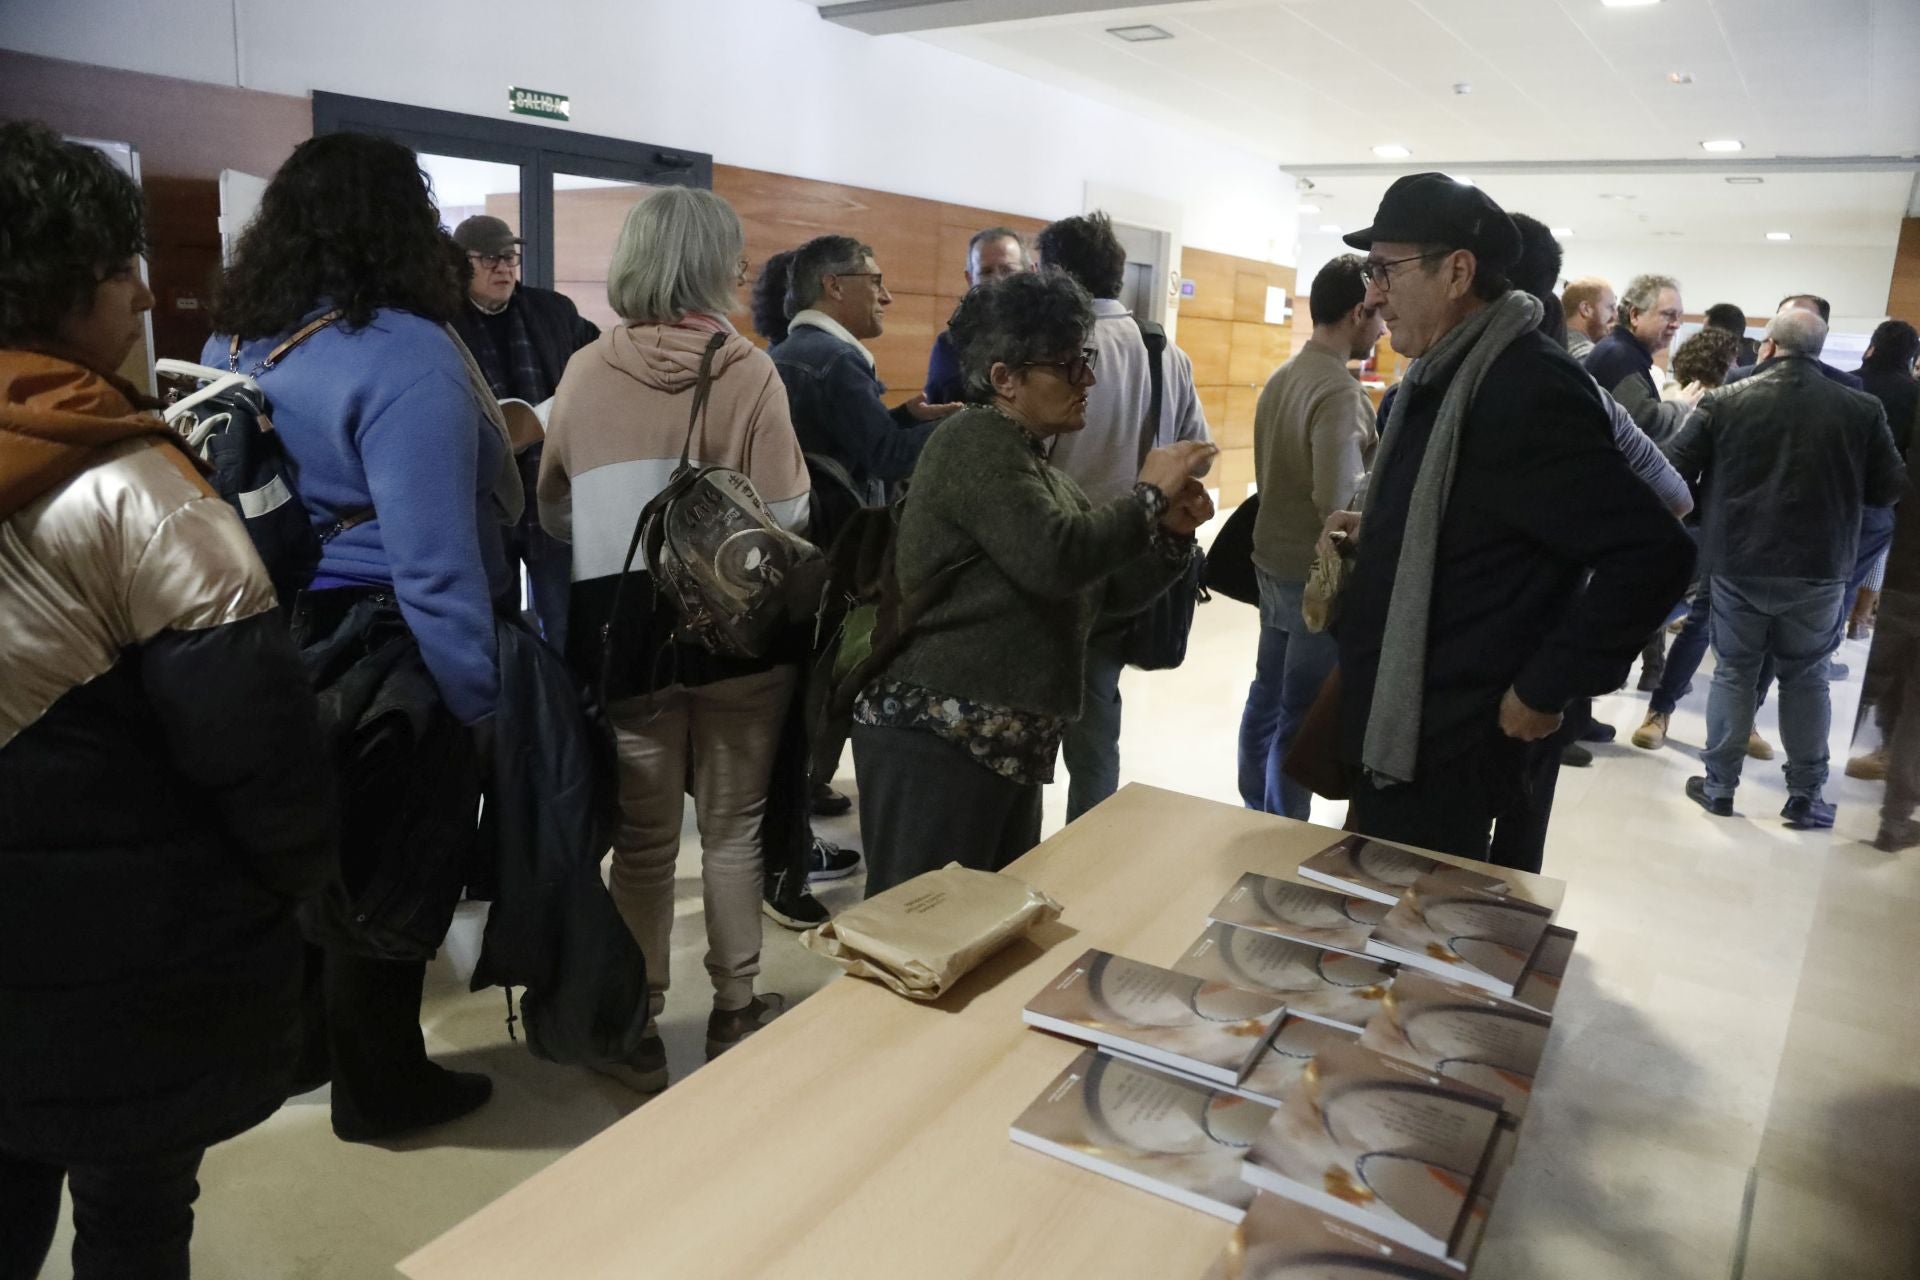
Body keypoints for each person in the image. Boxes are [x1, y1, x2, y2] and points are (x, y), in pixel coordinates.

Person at [0, 120, 336, 1279]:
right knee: (135, 1220)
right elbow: (262, 753)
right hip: (132, 963)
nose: (145, 290)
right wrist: (299, 889)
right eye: (117, 266)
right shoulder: (137, 488)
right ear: (55, 287)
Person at [208, 132, 513, 1142]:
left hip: (265, 630)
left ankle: (300, 1048)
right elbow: (432, 562)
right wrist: (478, 699)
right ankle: (382, 1086)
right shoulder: (407, 353)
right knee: (395, 863)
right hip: (386, 642)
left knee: (305, 847)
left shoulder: (235, 344)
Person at [1320, 173, 1692, 866]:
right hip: (1403, 725)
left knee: (1422, 941)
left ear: (1458, 271)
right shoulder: (1442, 378)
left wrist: (1545, 685)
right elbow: (1481, 520)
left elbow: (1653, 553)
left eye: (1385, 269)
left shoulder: (1525, 387)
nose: (1372, 294)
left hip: (1456, 743)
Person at [541, 186, 809, 1074]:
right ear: (709, 266)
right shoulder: (749, 370)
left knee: (646, 844)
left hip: (625, 635)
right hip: (739, 639)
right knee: (733, 831)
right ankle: (735, 1007)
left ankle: (637, 1021)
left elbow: (552, 511)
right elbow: (790, 509)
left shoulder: (584, 371)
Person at [850, 270, 1215, 895]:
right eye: (1068, 366)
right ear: (1004, 379)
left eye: (1086, 360)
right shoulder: (974, 440)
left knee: (981, 930)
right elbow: (1056, 559)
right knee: (919, 936)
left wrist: (1170, 536)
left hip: (996, 742)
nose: (1089, 381)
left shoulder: (1034, 464)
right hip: (940, 739)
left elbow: (1101, 593)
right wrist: (1149, 494)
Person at [1664, 307, 1905, 828]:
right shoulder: (1862, 409)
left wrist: (1711, 511)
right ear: (1819, 351)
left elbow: (1673, 466)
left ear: (1768, 345)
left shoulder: (1725, 401)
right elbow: (1889, 488)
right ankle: (1804, 796)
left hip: (1737, 561)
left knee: (1734, 672)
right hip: (1821, 568)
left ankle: (1719, 787)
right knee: (1808, 678)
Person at [1035, 211, 1214, 821]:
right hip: (1127, 561)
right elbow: (1199, 452)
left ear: (1052, 273)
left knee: (1018, 727)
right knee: (1096, 730)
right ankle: (1088, 857)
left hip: (1049, 557)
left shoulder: (1050, 354)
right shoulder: (1165, 350)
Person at [1240, 254, 1382, 819]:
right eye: (1376, 313)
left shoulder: (1284, 375)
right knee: (1297, 712)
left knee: (1265, 697)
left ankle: (1253, 807)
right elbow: (1338, 503)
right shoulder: (1339, 392)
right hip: (1312, 577)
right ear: (1355, 312)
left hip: (1271, 561)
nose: (1384, 325)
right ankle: (1282, 828)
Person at [448, 214, 599, 653]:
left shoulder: (552, 311)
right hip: (483, 496)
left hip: (550, 487)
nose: (504, 268)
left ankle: (574, 708)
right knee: (498, 620)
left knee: (567, 619)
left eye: (510, 257)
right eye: (490, 259)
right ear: (461, 264)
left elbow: (595, 367)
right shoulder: (442, 322)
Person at [771, 234, 959, 508]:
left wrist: (905, 417)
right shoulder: (838, 360)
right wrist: (962, 425)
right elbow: (888, 457)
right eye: (876, 282)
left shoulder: (785, 351)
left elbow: (842, 439)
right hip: (837, 539)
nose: (887, 297)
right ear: (834, 286)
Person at [1843, 320, 1920, 639]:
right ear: (1911, 356)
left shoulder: (1846, 383)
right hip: (1881, 500)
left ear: (1871, 346)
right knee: (1862, 568)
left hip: (1829, 492)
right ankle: (1851, 626)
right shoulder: (1915, 395)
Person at [1584, 272, 1697, 443]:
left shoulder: (1621, 351)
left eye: (1678, 316)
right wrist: (1680, 405)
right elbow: (1646, 425)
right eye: (1668, 314)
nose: (1675, 324)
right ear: (1635, 315)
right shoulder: (1620, 356)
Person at [924, 227, 1027, 404]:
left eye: (1008, 270)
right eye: (986, 272)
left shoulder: (1048, 340)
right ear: (970, 278)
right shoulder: (949, 345)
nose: (997, 281)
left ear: (1030, 273)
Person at [1726, 295, 1864, 389]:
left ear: (1824, 331)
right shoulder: (1738, 379)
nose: (1791, 326)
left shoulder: (1846, 385)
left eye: (1803, 320)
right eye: (1784, 319)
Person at [1559, 276, 1615, 362]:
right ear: (1586, 309)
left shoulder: (1549, 342)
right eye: (1610, 307)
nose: (1615, 316)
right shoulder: (1589, 358)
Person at [1703, 302, 1760, 368]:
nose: (1702, 336)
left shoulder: (1721, 360)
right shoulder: (1757, 350)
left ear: (1720, 334)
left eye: (1705, 331)